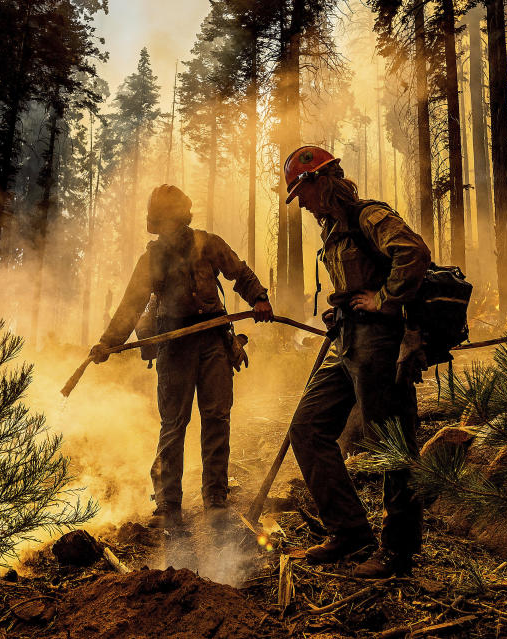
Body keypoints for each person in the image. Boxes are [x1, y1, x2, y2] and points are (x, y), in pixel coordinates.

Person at [88, 184, 273, 528]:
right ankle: (168, 504)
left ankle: (215, 497)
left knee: (216, 417)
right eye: (164, 220)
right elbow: (131, 306)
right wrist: (108, 342)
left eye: (175, 218)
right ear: (156, 222)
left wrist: (259, 298)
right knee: (174, 424)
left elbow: (239, 272)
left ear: (184, 216)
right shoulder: (152, 260)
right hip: (174, 344)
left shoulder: (209, 244)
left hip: (215, 339)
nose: (171, 225)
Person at [283, 145, 430, 577]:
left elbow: (413, 253)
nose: (302, 204)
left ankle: (398, 552)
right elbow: (359, 277)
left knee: (391, 440)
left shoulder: (369, 215)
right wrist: (343, 305)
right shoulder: (335, 228)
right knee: (307, 429)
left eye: (302, 193)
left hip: (379, 342)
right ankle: (349, 533)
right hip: (347, 338)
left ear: (319, 181)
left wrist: (384, 301)